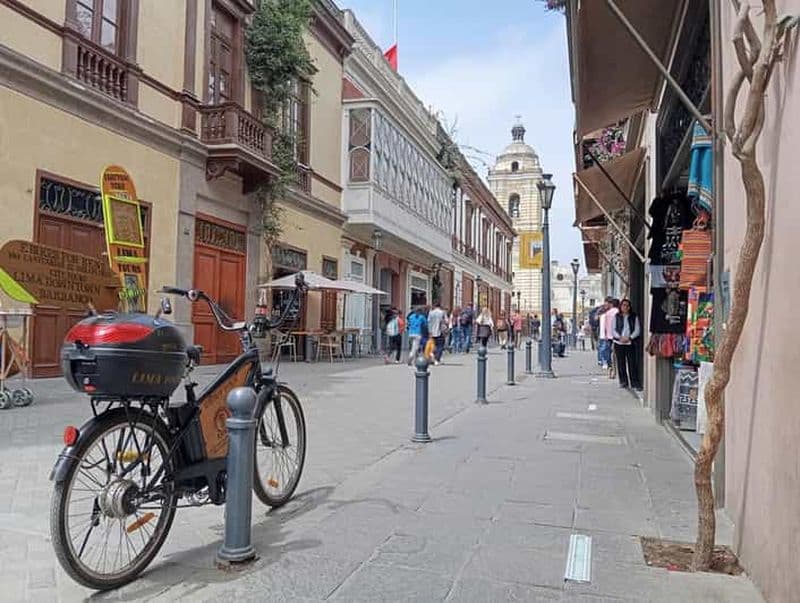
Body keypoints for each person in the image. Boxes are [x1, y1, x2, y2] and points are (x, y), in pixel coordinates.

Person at [612, 298, 641, 389]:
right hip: (619, 342)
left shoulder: (633, 317)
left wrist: (629, 338)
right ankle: (623, 381)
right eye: (623, 305)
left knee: (632, 363)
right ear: (620, 306)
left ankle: (634, 382)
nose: (625, 307)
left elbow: (637, 330)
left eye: (627, 306)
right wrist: (620, 337)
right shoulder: (616, 317)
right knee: (621, 363)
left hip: (630, 343)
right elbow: (613, 330)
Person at [603, 298, 620, 377]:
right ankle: (615, 369)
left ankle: (611, 368)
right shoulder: (618, 313)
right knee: (617, 353)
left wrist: (605, 334)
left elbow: (605, 326)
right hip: (617, 335)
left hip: (609, 336)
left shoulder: (608, 313)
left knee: (609, 352)